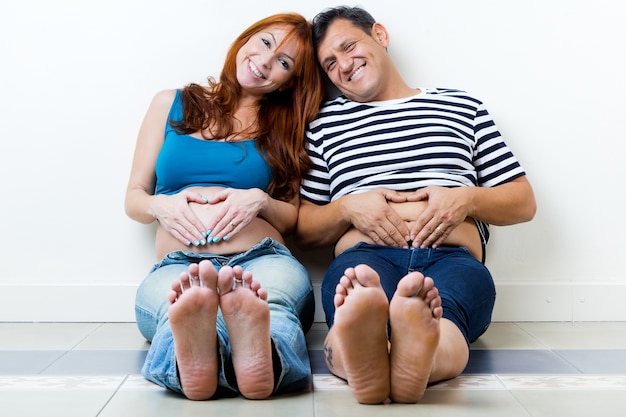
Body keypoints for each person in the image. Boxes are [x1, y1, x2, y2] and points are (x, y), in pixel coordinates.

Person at [296, 6, 537, 405]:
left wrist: (467, 198)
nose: (344, 65)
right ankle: (376, 353)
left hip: (452, 258)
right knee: (357, 301)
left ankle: (411, 357)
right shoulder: (323, 125)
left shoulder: (462, 107)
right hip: (366, 257)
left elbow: (523, 201)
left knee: (447, 320)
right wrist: (347, 209)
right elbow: (303, 229)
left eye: (349, 46)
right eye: (330, 63)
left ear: (380, 35)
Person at [125, 13, 324, 400]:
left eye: (284, 63)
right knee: (176, 311)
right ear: (246, 39)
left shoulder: (287, 128)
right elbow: (134, 198)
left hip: (262, 258)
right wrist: (160, 207)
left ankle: (253, 354)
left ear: (289, 82)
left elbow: (293, 217)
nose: (266, 61)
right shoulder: (171, 103)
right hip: (180, 263)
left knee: (274, 305)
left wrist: (260, 200)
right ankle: (207, 355)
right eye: (266, 43)